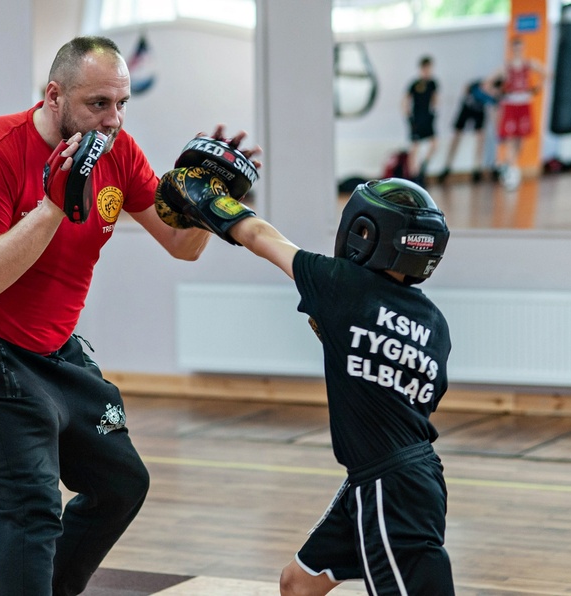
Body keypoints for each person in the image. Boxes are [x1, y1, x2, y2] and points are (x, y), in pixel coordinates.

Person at [0, 35, 258, 595]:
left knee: (121, 484)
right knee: (30, 507)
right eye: (98, 105)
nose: (114, 120)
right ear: (54, 96)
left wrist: (209, 200)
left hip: (55, 350)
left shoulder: (117, 153)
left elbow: (181, 245)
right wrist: (54, 205)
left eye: (121, 103)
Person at [155, 173, 453, 595]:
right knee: (298, 584)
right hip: (398, 476)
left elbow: (259, 235)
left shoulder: (341, 285)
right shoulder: (434, 323)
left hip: (390, 489)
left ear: (365, 232)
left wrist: (209, 199)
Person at [491, 36, 546, 190]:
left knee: (520, 138)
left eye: (520, 47)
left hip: (524, 104)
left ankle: (511, 166)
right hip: (510, 104)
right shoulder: (505, 67)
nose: (518, 50)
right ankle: (510, 169)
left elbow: (546, 73)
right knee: (509, 138)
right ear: (511, 49)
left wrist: (537, 87)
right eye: (515, 47)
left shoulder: (529, 64)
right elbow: (488, 84)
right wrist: (499, 93)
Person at [437, 76, 503, 184]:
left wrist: (498, 131)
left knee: (480, 138)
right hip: (466, 109)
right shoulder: (476, 86)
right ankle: (447, 166)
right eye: (494, 91)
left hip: (478, 112)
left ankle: (476, 169)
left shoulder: (493, 98)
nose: (494, 94)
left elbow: (495, 115)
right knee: (456, 137)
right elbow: (466, 89)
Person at [402, 55, 438, 185]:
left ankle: (422, 168)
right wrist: (408, 117)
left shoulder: (433, 83)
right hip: (416, 119)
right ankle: (414, 176)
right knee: (414, 147)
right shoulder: (414, 84)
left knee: (434, 144)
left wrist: (434, 113)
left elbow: (435, 99)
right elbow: (405, 100)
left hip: (427, 118)